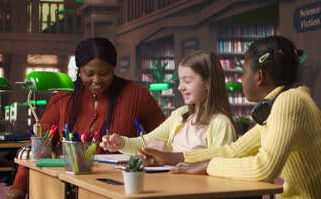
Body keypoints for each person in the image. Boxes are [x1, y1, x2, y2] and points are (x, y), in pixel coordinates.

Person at [138, 36, 321, 199]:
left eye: (243, 71)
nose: (240, 79)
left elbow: (263, 168)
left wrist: (208, 165)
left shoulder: (290, 101)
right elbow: (234, 151)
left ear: (259, 76)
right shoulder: (285, 101)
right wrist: (169, 158)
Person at [7, 37, 166, 199]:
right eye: (89, 74)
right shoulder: (63, 97)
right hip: (70, 185)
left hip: (120, 188)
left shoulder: (136, 95)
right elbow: (40, 147)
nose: (96, 80)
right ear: (79, 70)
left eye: (104, 73)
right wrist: (19, 185)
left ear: (113, 69)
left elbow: (166, 135)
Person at [100, 50, 236, 155]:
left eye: (187, 81)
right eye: (180, 81)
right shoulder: (181, 114)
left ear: (208, 83)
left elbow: (218, 166)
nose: (180, 87)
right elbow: (146, 141)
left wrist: (169, 154)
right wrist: (122, 143)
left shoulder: (221, 124)